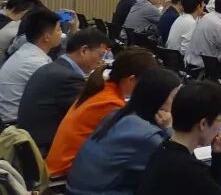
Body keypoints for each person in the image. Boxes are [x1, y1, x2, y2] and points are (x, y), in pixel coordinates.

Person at [67, 67, 181, 195]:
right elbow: (178, 166)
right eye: (175, 97)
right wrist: (169, 129)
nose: (179, 103)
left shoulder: (118, 115)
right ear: (158, 100)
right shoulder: (145, 135)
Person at [47, 47, 157, 176]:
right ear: (131, 80)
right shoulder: (111, 104)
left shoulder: (102, 88)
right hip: (66, 173)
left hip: (64, 165)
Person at [18, 29, 108, 154]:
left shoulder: (55, 67)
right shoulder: (68, 78)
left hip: (31, 142)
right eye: (100, 55)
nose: (101, 61)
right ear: (84, 50)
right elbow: (91, 114)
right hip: (46, 149)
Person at [0, 9, 62, 123]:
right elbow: (58, 95)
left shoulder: (27, 50)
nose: (61, 34)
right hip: (15, 125)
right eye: (58, 29)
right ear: (47, 37)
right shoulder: (35, 62)